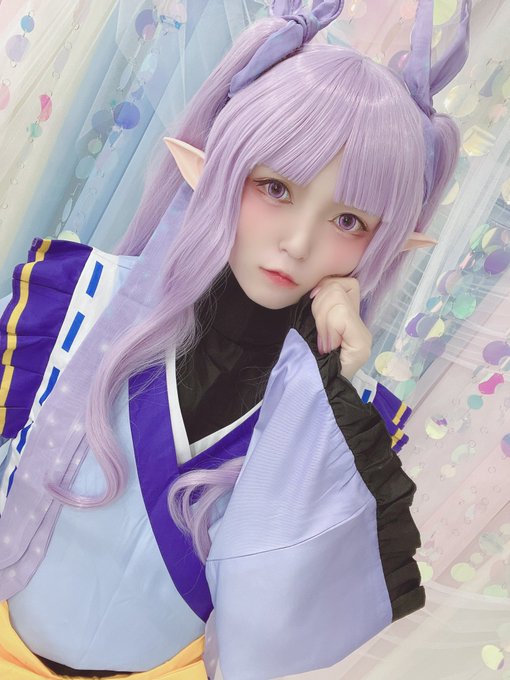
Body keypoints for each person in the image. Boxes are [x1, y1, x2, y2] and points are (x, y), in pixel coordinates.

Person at [0, 0, 471, 678]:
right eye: (275, 187)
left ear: (387, 242)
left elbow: (276, 628)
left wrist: (324, 381)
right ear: (216, 169)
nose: (298, 243)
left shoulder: (337, 429)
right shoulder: (75, 301)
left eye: (348, 220)